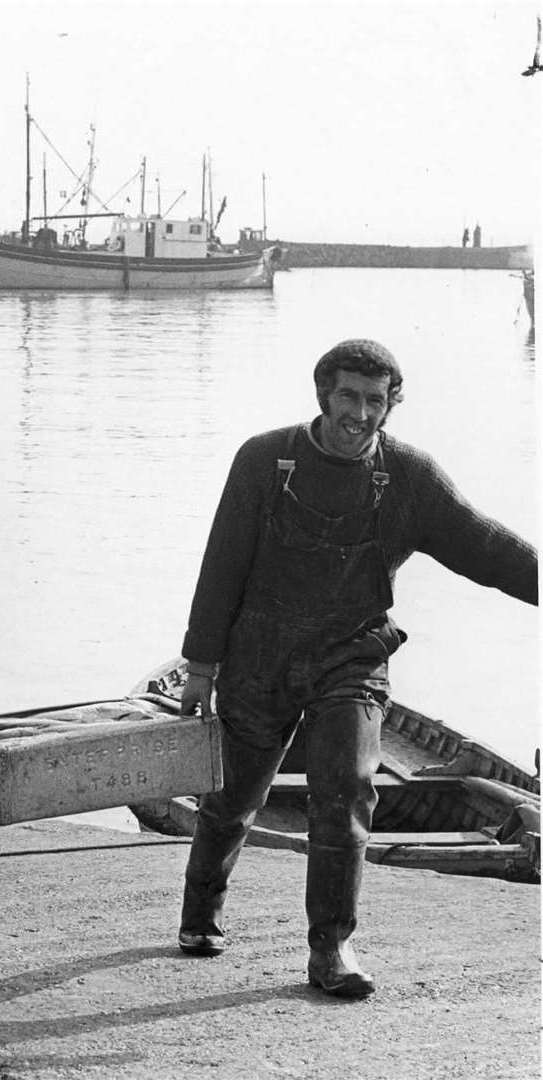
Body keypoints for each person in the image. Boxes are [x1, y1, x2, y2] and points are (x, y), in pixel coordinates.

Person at [174, 338, 537, 999]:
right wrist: (201, 664)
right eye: (349, 397)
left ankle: (332, 948)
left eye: (376, 401)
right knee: (235, 800)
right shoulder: (265, 460)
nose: (360, 414)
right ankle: (201, 911)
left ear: (391, 405)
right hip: (260, 656)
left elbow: (485, 547)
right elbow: (221, 565)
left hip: (353, 659)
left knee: (345, 794)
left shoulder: (408, 478)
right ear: (325, 395)